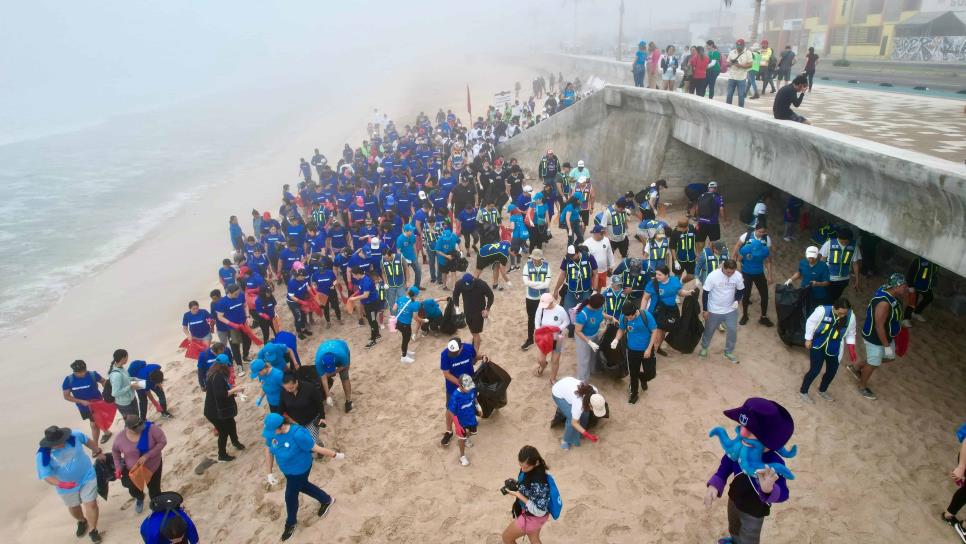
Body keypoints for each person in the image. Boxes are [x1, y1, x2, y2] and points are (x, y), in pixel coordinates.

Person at [705, 398, 794, 544]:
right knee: (733, 526)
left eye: (752, 431)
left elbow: (784, 493)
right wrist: (715, 484)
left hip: (754, 511)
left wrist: (768, 489)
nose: (743, 433)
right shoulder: (739, 448)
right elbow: (726, 464)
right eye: (742, 426)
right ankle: (734, 540)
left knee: (749, 538)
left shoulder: (775, 463)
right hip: (733, 499)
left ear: (770, 440)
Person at [262, 413, 344, 541]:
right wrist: (269, 473)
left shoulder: (298, 434)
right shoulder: (273, 433)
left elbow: (316, 448)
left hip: (300, 469)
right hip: (287, 470)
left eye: (273, 431)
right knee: (303, 486)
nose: (271, 434)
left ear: (282, 426)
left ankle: (290, 523)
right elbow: (268, 449)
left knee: (290, 496)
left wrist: (335, 455)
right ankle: (327, 500)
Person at [36, 426, 106, 543]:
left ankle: (93, 530)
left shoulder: (75, 435)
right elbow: (46, 476)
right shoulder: (42, 455)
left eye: (62, 440)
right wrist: (61, 484)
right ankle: (82, 521)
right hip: (65, 485)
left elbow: (88, 442)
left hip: (87, 476)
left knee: (92, 503)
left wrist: (98, 452)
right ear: (50, 443)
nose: (62, 444)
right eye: (58, 443)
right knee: (74, 506)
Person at [847, 273, 908, 400]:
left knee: (890, 357)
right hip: (876, 338)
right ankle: (862, 386)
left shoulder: (889, 291)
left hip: (887, 335)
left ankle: (856, 367)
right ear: (895, 287)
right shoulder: (884, 303)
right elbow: (879, 326)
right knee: (874, 362)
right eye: (903, 286)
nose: (905, 288)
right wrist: (886, 345)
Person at [800, 298, 856, 403]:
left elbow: (851, 333)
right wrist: (808, 338)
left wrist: (851, 347)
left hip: (835, 348)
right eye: (840, 313)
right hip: (818, 345)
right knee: (815, 370)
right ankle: (803, 391)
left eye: (845, 313)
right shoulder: (822, 311)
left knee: (832, 371)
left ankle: (823, 390)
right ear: (834, 308)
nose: (843, 316)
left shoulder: (851, 317)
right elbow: (811, 322)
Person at [111, 415, 167, 512]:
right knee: (133, 489)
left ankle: (156, 506)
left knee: (154, 490)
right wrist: (118, 467)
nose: (140, 429)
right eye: (136, 428)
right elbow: (115, 452)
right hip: (133, 470)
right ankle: (140, 497)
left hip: (153, 467)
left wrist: (147, 455)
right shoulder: (120, 438)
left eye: (141, 425)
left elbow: (162, 442)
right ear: (128, 428)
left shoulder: (152, 429)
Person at [500, 445, 554, 544]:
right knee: (534, 538)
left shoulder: (539, 484)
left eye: (526, 467)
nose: (523, 470)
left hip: (533, 517)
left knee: (507, 538)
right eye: (521, 466)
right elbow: (529, 486)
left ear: (536, 462)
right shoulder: (536, 469)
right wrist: (516, 484)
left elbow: (539, 511)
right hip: (536, 517)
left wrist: (518, 495)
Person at [699, 259, 744, 363]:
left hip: (730, 309)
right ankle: (704, 348)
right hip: (714, 309)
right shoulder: (713, 276)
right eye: (728, 272)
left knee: (732, 330)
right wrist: (705, 310)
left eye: (732, 272)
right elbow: (705, 293)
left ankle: (728, 352)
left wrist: (737, 300)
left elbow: (741, 289)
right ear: (723, 267)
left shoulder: (737, 275)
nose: (730, 274)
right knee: (709, 330)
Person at [643, 265, 693, 355]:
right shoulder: (652, 284)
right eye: (656, 274)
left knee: (664, 331)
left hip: (670, 311)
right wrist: (642, 312)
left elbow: (679, 292)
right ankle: (652, 355)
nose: (657, 276)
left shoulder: (674, 281)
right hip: (656, 312)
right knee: (657, 335)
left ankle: (657, 348)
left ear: (667, 275)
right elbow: (645, 298)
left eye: (659, 274)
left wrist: (687, 293)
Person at [439, 338, 481, 447]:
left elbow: (474, 357)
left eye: (455, 352)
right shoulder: (445, 354)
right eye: (451, 352)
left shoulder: (468, 349)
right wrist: (460, 383)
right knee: (450, 409)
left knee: (468, 407)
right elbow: (446, 374)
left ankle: (465, 434)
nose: (453, 354)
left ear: (461, 347)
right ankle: (449, 431)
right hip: (453, 387)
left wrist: (483, 357)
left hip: (468, 384)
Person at [203, 357, 246, 462]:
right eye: (228, 365)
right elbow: (221, 395)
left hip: (219, 408)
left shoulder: (214, 372)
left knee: (231, 423)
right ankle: (221, 455)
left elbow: (224, 389)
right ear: (224, 365)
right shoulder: (217, 377)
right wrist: (235, 390)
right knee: (223, 431)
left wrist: (233, 390)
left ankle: (235, 442)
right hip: (215, 412)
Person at [62, 360, 111, 446]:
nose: (81, 374)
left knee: (94, 424)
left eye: (83, 372)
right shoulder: (69, 380)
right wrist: (81, 401)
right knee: (96, 421)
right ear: (74, 371)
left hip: (97, 404)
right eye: (78, 373)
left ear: (86, 369)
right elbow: (66, 396)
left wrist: (105, 390)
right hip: (83, 407)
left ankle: (95, 445)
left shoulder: (93, 375)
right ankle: (107, 432)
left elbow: (104, 381)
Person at [550, 377, 605, 449]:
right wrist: (587, 435)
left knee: (585, 412)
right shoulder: (578, 403)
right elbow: (574, 422)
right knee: (571, 417)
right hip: (558, 393)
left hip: (568, 383)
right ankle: (565, 440)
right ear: (590, 405)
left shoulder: (595, 391)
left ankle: (580, 432)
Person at [736, 224, 774, 327]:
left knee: (765, 295)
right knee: (746, 295)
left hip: (759, 274)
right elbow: (738, 260)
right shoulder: (746, 248)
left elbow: (768, 261)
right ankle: (744, 315)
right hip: (747, 273)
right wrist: (739, 274)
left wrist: (770, 275)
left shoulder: (765, 249)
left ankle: (763, 317)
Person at [278, 373, 327, 446]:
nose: (289, 391)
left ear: (296, 382)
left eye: (291, 388)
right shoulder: (284, 392)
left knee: (310, 442)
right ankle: (320, 444)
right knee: (303, 441)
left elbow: (319, 402)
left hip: (312, 420)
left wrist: (322, 417)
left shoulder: (309, 388)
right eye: (286, 389)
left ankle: (318, 446)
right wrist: (278, 422)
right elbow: (281, 408)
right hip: (295, 423)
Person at [553, 245, 598, 322]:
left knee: (586, 310)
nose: (571, 257)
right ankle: (571, 329)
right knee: (567, 311)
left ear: (578, 253)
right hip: (571, 290)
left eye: (572, 255)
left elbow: (596, 274)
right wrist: (556, 289)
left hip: (586, 290)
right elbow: (562, 274)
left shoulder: (588, 257)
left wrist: (595, 290)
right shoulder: (566, 259)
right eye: (569, 255)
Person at [453, 273, 495, 353]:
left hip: (479, 312)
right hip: (467, 311)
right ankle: (477, 339)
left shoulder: (481, 284)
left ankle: (475, 353)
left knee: (475, 333)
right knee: (471, 328)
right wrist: (457, 307)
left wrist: (487, 309)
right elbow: (455, 295)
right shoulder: (459, 283)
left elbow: (490, 296)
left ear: (473, 279)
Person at [217, 283, 253, 372]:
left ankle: (245, 356)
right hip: (231, 328)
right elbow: (220, 317)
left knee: (248, 340)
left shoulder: (240, 295)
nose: (237, 295)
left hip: (243, 323)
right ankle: (240, 366)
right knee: (235, 346)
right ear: (229, 292)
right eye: (235, 294)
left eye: (238, 293)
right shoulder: (222, 302)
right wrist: (231, 324)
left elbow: (245, 306)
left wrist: (248, 317)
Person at [447, 374, 481, 467]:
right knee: (461, 437)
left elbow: (474, 397)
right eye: (467, 388)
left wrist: (478, 406)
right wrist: (457, 425)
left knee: (473, 432)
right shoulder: (455, 396)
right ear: (460, 386)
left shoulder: (471, 389)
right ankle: (462, 456)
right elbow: (451, 411)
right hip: (460, 420)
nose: (469, 389)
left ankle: (465, 438)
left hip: (470, 417)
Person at [523, 248, 553, 349]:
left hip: (544, 297)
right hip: (530, 297)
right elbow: (526, 282)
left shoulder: (547, 266)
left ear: (541, 259)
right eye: (534, 258)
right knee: (531, 318)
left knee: (544, 318)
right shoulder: (527, 265)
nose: (535, 260)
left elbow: (547, 284)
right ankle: (530, 339)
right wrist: (541, 284)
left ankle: (543, 338)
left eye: (537, 259)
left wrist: (534, 285)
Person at [820, 228, 861, 303]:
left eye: (846, 242)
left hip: (843, 280)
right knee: (824, 297)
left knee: (834, 298)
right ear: (838, 238)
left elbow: (855, 263)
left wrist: (857, 279)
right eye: (841, 242)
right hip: (828, 277)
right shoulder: (829, 243)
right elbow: (822, 259)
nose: (843, 244)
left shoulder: (854, 246)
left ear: (850, 240)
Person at [786, 246, 831, 311]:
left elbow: (827, 283)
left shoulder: (823, 266)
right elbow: (799, 273)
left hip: (818, 295)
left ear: (817, 256)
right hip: (805, 291)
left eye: (813, 257)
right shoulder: (803, 263)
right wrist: (790, 279)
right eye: (809, 257)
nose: (811, 259)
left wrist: (817, 284)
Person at [573, 293, 606, 382]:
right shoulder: (583, 314)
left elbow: (602, 313)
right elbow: (577, 331)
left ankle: (592, 370)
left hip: (595, 334)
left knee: (593, 355)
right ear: (595, 306)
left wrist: (610, 317)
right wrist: (589, 342)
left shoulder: (598, 308)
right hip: (583, 338)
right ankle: (582, 380)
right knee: (584, 359)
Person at [314, 338, 353, 412]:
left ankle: (348, 401)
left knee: (344, 377)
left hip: (342, 347)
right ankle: (327, 395)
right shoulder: (318, 362)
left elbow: (345, 365)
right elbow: (323, 379)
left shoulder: (342, 355)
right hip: (325, 348)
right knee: (324, 377)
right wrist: (328, 396)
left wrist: (334, 372)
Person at [348, 267, 381, 348]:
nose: (353, 277)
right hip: (368, 304)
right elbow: (361, 290)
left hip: (372, 305)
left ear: (358, 274)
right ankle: (377, 334)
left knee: (372, 321)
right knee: (372, 320)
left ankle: (373, 340)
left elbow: (366, 295)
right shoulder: (362, 279)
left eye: (353, 275)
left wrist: (354, 298)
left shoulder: (366, 281)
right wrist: (355, 294)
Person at [108, 348, 141, 417]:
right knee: (131, 424)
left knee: (137, 418)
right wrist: (129, 386)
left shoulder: (121, 368)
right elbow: (115, 393)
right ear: (123, 358)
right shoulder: (116, 375)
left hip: (131, 398)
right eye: (127, 357)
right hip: (124, 404)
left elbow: (125, 379)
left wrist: (133, 379)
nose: (127, 358)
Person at [905, 255, 938, 323]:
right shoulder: (918, 261)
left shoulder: (933, 262)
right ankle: (906, 319)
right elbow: (910, 273)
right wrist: (910, 285)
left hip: (925, 285)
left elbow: (933, 274)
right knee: (913, 301)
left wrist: (932, 283)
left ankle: (916, 313)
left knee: (929, 298)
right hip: (915, 285)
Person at [394, 286, 422, 363]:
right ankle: (404, 357)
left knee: (405, 338)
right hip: (406, 325)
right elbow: (415, 317)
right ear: (415, 295)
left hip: (398, 323)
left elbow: (394, 308)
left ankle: (405, 351)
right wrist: (423, 320)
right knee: (406, 340)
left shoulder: (401, 298)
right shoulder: (415, 304)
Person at [695, 181, 725, 252]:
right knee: (713, 240)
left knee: (701, 240)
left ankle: (699, 255)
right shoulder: (718, 197)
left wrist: (698, 218)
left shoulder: (701, 196)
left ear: (708, 188)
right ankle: (709, 254)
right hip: (713, 223)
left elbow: (697, 208)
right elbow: (721, 209)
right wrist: (724, 220)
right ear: (716, 188)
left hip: (701, 222)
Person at [725, 39, 754, 107]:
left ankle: (741, 109)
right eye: (737, 45)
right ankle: (727, 108)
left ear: (744, 45)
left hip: (741, 78)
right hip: (732, 77)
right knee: (729, 94)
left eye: (740, 45)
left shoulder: (748, 52)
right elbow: (727, 63)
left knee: (741, 95)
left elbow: (750, 64)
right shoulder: (732, 52)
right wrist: (731, 63)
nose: (738, 46)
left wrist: (740, 65)